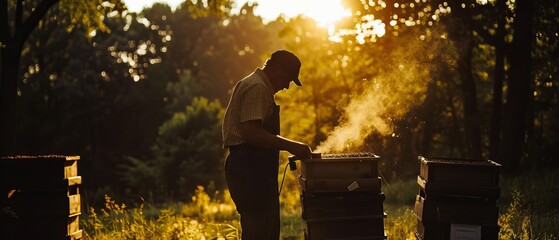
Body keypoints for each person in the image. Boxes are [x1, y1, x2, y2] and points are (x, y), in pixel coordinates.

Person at [222, 50, 312, 240]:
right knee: (259, 233)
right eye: (288, 79)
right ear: (277, 69)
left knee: (263, 230)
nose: (287, 86)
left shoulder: (252, 82)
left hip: (251, 170)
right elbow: (250, 132)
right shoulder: (258, 88)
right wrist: (292, 146)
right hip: (251, 171)